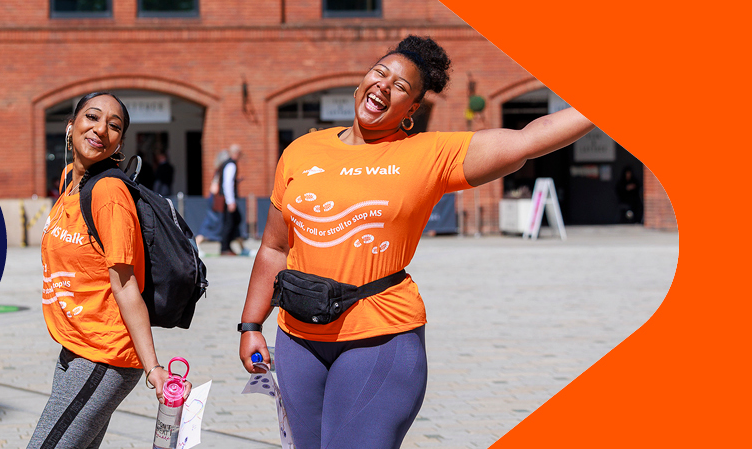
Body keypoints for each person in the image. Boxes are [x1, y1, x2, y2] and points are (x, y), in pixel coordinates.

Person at [237, 36, 596, 449]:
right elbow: (273, 248)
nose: (384, 86)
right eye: (379, 73)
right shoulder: (301, 151)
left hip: (380, 339)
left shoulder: (429, 154)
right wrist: (250, 325)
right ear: (361, 82)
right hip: (298, 341)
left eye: (401, 87)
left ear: (411, 111)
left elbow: (531, 138)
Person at [31, 92, 176, 449]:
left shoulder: (109, 193)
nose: (101, 129)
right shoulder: (70, 181)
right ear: (71, 126)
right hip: (75, 348)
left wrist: (153, 368)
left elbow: (127, 285)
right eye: (92, 117)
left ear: (119, 144)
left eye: (114, 126)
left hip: (104, 354)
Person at [219, 144, 243, 256]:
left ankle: (228, 245)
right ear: (236, 153)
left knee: (235, 220)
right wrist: (230, 201)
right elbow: (227, 184)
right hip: (228, 200)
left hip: (227, 199)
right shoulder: (231, 165)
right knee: (229, 223)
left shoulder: (227, 164)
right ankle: (224, 248)